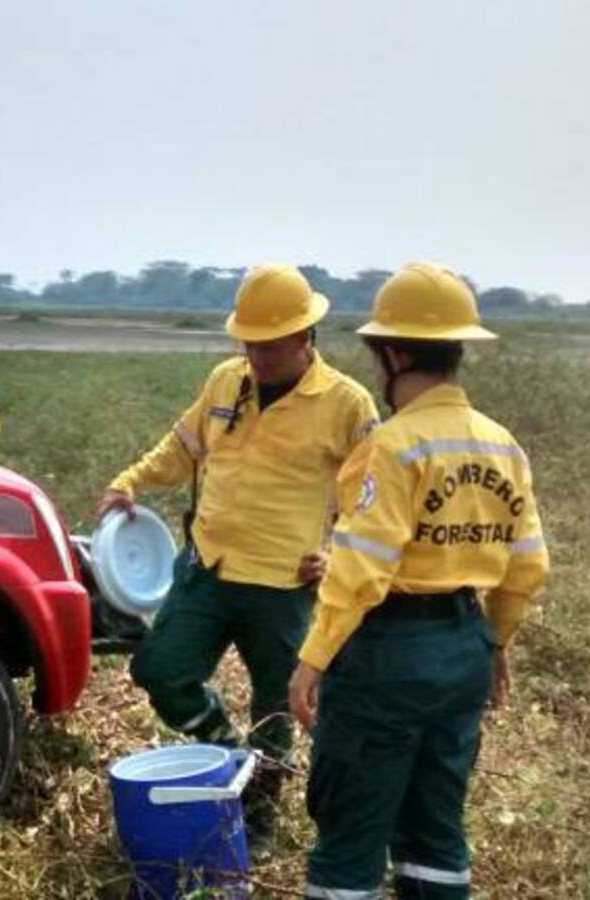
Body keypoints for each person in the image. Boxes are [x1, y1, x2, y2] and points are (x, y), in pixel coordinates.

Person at [289, 262, 550, 898]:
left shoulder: (394, 446)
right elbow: (528, 565)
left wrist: (312, 661)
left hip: (387, 657)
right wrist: (496, 644)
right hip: (464, 647)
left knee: (351, 834)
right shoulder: (502, 446)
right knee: (436, 832)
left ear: (396, 353)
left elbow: (359, 570)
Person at [96, 264, 379, 851]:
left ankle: (261, 818)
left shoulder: (346, 404)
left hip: (283, 584)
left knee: (278, 709)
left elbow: (374, 499)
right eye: (249, 342)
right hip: (209, 567)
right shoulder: (227, 381)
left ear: (306, 338)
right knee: (159, 668)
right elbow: (182, 448)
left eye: (270, 345)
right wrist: (131, 481)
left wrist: (338, 555)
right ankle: (228, 752)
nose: (258, 355)